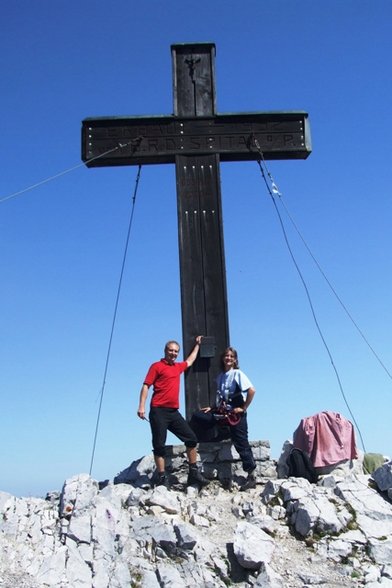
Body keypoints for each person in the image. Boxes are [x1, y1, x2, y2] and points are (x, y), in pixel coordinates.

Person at [137, 336, 209, 489]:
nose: (173, 353)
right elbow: (146, 386)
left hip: (173, 412)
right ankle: (162, 478)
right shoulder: (156, 366)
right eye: (171, 350)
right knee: (159, 445)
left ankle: (193, 473)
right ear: (165, 351)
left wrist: (197, 345)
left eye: (176, 351)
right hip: (158, 411)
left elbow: (189, 361)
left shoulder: (177, 367)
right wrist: (141, 406)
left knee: (191, 439)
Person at [191, 346, 257, 490]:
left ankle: (251, 475)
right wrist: (212, 408)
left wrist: (244, 407)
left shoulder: (237, 374)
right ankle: (223, 433)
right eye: (226, 356)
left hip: (236, 414)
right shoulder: (220, 376)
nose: (228, 358)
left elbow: (252, 390)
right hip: (223, 413)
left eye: (231, 356)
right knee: (199, 416)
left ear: (235, 360)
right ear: (223, 358)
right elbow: (221, 397)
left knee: (241, 443)